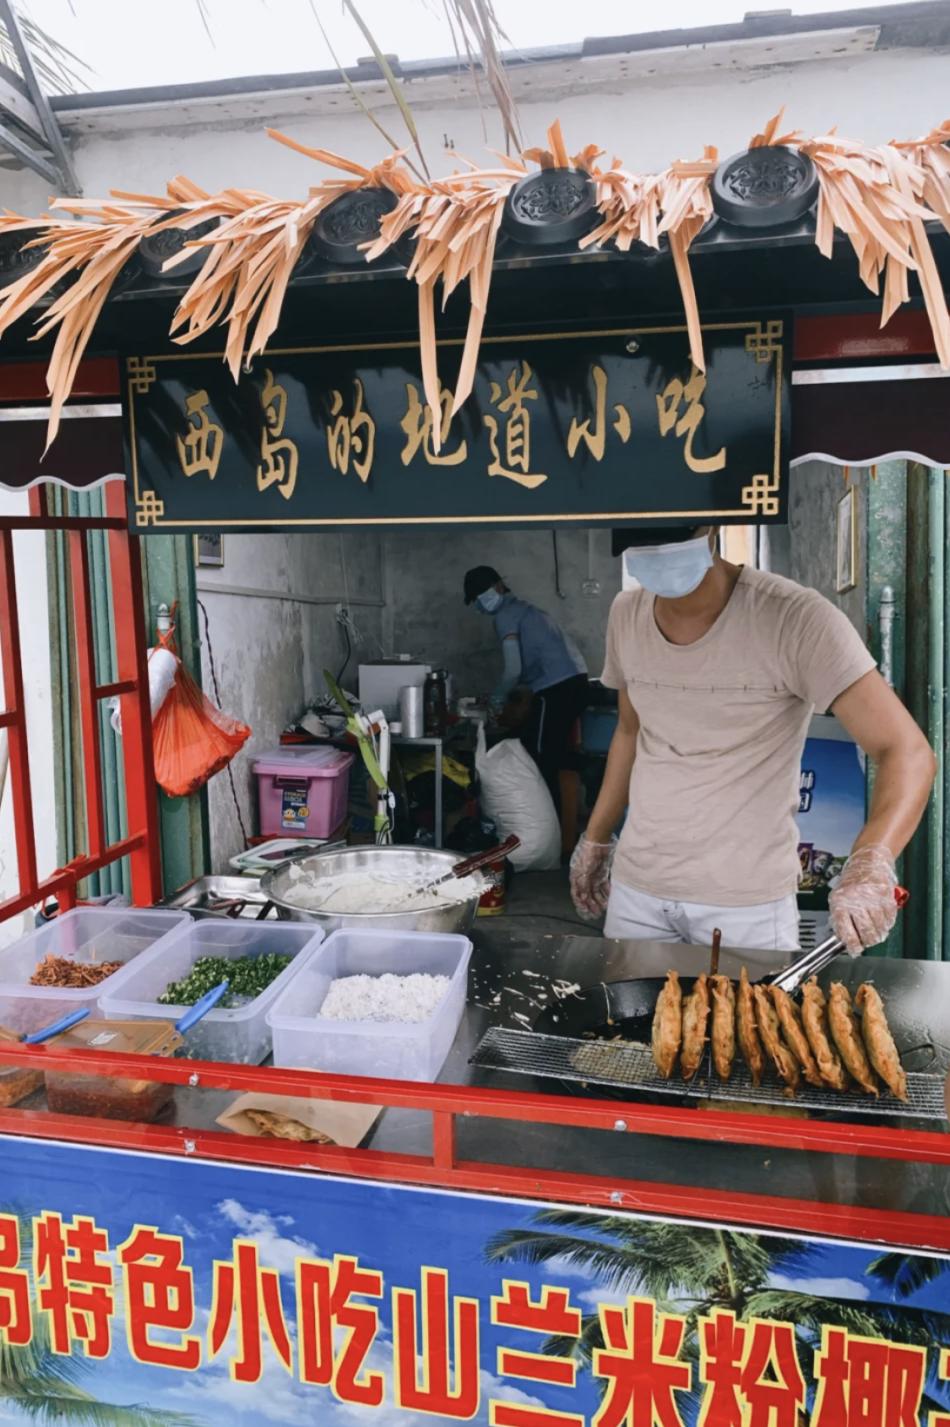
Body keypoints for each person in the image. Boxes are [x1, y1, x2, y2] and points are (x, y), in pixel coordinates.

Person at [570, 526, 935, 959]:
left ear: (713, 524)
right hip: (639, 891)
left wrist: (870, 861)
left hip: (745, 904)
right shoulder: (626, 614)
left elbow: (906, 751)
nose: (659, 550)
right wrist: (596, 838)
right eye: (644, 539)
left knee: (742, 1028)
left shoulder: (793, 618)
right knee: (628, 1023)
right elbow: (630, 731)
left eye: (672, 534)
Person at [463, 565, 588, 808]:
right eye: (476, 599)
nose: (480, 602)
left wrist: (496, 700)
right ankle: (557, 821)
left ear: (499, 586)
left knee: (542, 757)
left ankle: (553, 829)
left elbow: (513, 670)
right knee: (541, 747)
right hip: (575, 682)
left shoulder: (505, 616)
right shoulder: (526, 610)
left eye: (482, 594)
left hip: (557, 690)